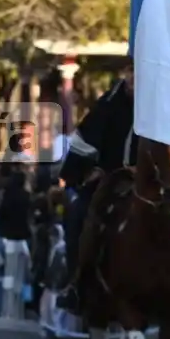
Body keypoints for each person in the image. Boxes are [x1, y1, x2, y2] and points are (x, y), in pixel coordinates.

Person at [57, 65, 135, 313]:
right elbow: (84, 143)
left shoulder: (164, 103)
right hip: (109, 182)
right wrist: (86, 172)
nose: (136, 79)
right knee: (78, 215)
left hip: (152, 181)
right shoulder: (108, 105)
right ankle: (77, 283)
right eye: (133, 72)